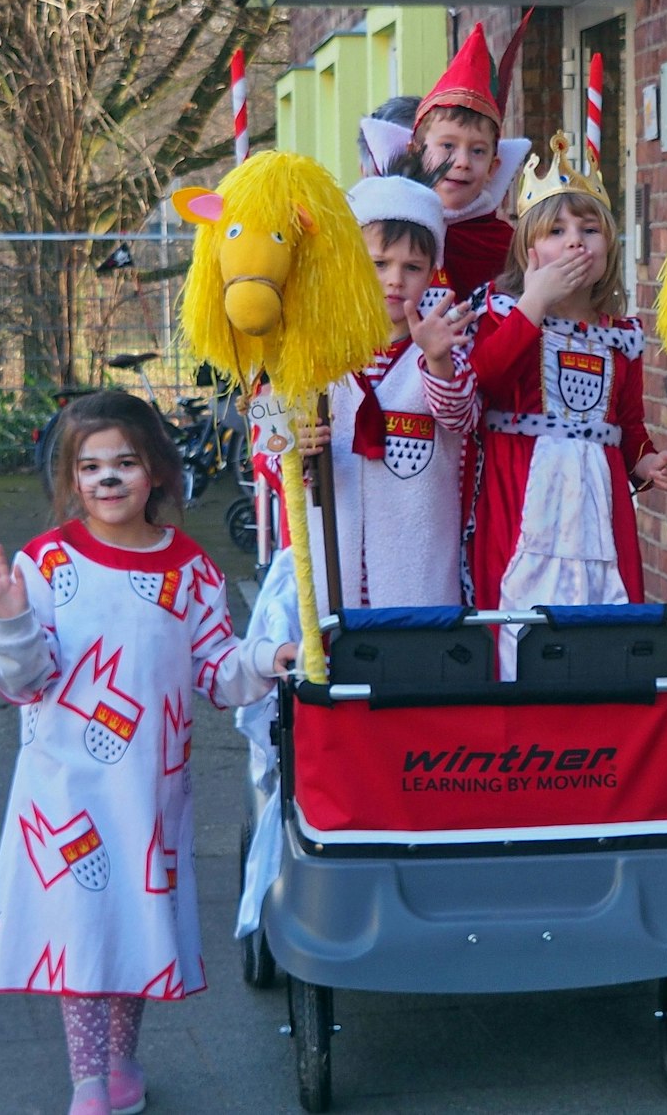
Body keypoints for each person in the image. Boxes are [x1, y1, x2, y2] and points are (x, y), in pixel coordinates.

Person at [0, 391, 281, 1115]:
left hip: (151, 790)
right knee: (81, 926)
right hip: (66, 789)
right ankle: (88, 1079)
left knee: (135, 924)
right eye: (90, 466)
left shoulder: (191, 570)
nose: (107, 479)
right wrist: (9, 622)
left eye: (125, 463)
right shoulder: (41, 565)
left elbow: (219, 671)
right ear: (70, 479)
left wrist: (272, 655)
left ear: (159, 473)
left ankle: (123, 1060)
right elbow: (23, 681)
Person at [230, 152, 480, 938]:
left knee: (413, 720)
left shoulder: (444, 346)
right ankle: (322, 839)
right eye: (379, 261)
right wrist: (290, 446)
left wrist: (438, 358)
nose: (396, 279)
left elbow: (464, 425)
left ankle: (419, 850)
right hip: (329, 582)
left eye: (413, 263)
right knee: (327, 717)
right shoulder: (310, 356)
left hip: (419, 575)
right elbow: (268, 460)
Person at [465, 132, 667, 644]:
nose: (575, 241)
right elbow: (485, 381)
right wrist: (533, 304)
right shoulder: (500, 312)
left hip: (598, 503)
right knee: (517, 619)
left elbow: (628, 425)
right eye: (556, 231)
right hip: (521, 494)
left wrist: (647, 463)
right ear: (528, 249)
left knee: (602, 618)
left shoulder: (620, 335)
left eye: (589, 230)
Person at [360, 16, 534, 299]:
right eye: (448, 146)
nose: (462, 162)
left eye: (477, 151)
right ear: (415, 151)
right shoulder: (379, 226)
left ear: (494, 166)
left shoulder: (506, 246)